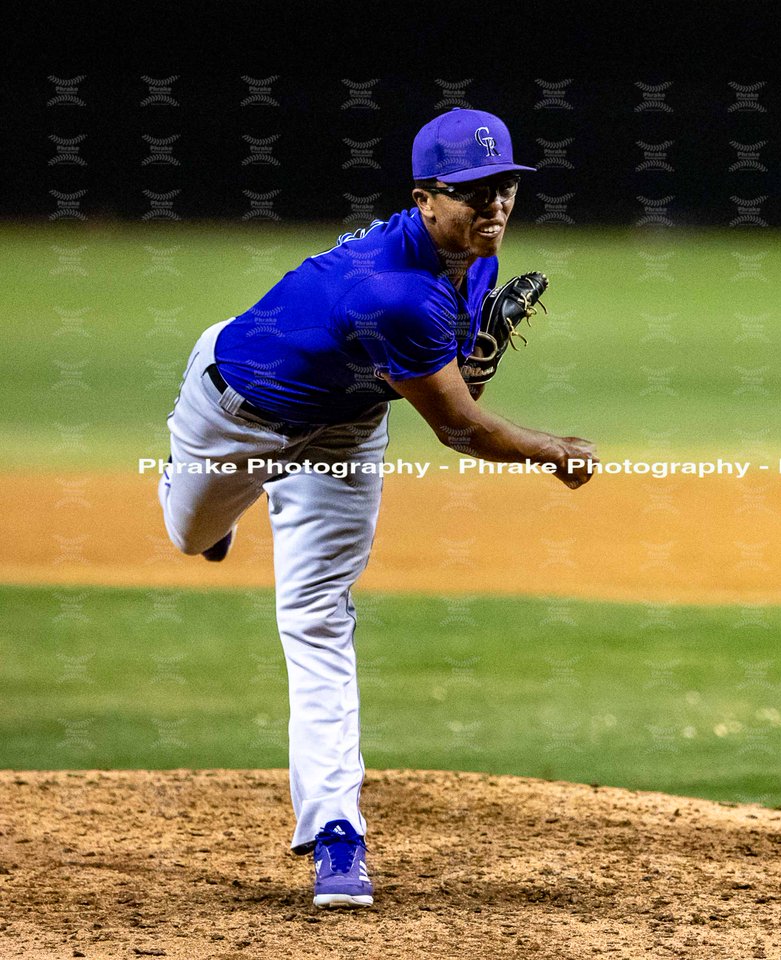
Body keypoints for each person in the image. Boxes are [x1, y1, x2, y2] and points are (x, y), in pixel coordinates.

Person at [157, 108, 597, 908]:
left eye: (506, 187)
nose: (496, 204)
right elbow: (460, 427)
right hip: (234, 415)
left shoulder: (470, 256)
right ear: (427, 197)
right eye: (474, 191)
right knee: (189, 534)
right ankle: (220, 517)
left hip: (345, 432)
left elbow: (454, 386)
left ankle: (337, 836)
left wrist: (477, 360)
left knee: (319, 615)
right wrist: (551, 449)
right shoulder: (395, 290)